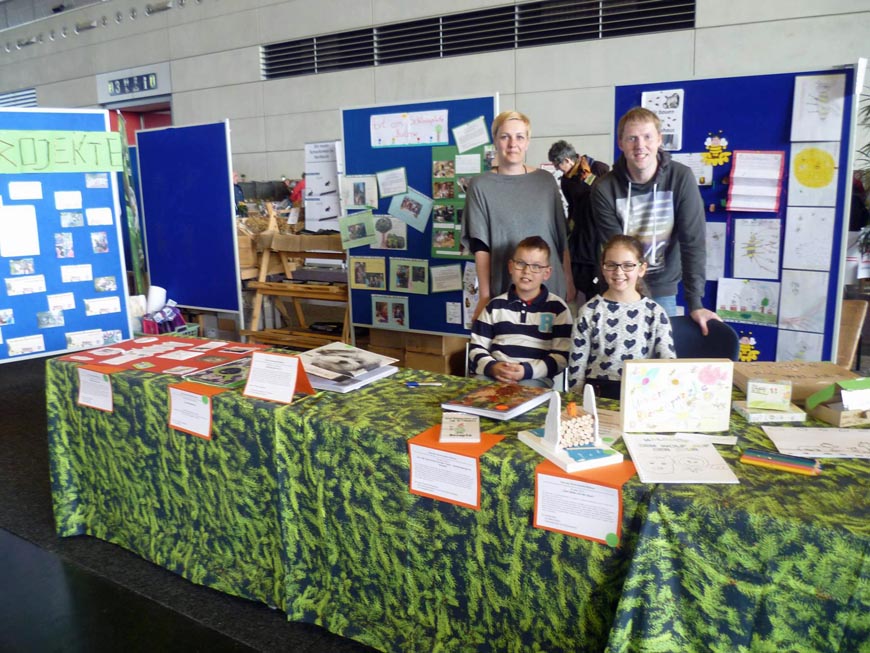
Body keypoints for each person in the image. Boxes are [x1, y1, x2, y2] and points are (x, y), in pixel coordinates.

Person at [592, 107, 720, 334]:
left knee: (662, 364)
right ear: (620, 143)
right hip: (621, 288)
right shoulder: (604, 188)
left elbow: (693, 242)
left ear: (660, 140)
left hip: (664, 290)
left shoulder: (681, 178)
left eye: (647, 137)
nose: (640, 145)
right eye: (632, 138)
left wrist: (695, 303)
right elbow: (616, 253)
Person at [462, 111, 574, 321]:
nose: (513, 143)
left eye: (519, 137)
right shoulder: (480, 186)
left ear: (528, 142)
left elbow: (561, 238)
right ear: (495, 140)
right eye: (505, 137)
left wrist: (568, 280)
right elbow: (481, 247)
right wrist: (485, 295)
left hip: (550, 287)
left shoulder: (545, 181)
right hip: (506, 288)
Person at [567, 234, 675, 397]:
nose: (619, 272)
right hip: (598, 394)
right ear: (603, 268)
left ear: (641, 269)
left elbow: (668, 361)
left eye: (628, 265)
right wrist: (575, 400)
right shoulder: (589, 311)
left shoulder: (655, 312)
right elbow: (577, 364)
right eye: (611, 265)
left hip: (641, 395)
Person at [468, 236, 572, 388]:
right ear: (510, 267)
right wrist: (492, 367)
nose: (526, 271)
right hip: (493, 376)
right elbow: (476, 348)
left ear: (547, 273)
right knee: (475, 399)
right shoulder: (495, 306)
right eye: (521, 263)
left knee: (524, 401)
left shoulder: (557, 309)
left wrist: (527, 371)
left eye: (536, 266)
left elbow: (562, 356)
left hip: (534, 379)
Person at [548, 140, 610, 304]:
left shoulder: (599, 168)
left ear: (567, 160)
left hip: (599, 231)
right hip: (581, 233)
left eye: (557, 165)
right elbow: (572, 207)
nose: (557, 169)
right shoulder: (566, 181)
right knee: (581, 276)